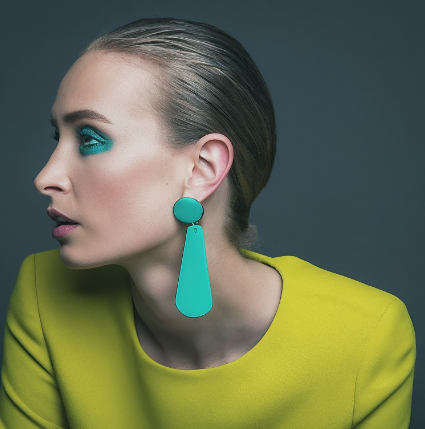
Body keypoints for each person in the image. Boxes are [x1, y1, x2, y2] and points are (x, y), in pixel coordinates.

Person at [0, 17, 416, 429]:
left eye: (90, 138)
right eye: (59, 138)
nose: (45, 178)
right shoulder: (43, 295)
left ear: (202, 168)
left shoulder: (366, 336)